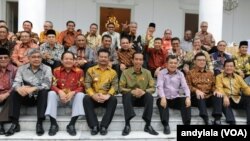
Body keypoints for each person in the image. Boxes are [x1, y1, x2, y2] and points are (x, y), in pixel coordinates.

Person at [5, 49, 52, 136]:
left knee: (44, 91)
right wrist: (19, 89)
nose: (36, 59)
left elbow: (47, 84)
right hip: (25, 96)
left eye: (39, 57)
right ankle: (15, 123)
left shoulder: (47, 68)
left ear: (41, 58)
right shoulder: (21, 69)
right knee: (14, 93)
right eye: (33, 57)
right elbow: (16, 82)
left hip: (39, 97)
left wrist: (34, 88)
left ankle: (39, 122)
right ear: (29, 58)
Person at [45, 51, 85, 136]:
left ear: (74, 61)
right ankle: (53, 123)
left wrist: (73, 92)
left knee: (81, 95)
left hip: (72, 99)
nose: (68, 61)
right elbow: (52, 85)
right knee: (51, 93)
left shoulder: (79, 71)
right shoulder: (56, 71)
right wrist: (59, 91)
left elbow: (82, 87)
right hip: (60, 98)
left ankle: (71, 124)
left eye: (71, 59)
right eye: (66, 59)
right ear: (62, 60)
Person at [119, 52, 158, 136]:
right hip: (130, 100)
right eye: (136, 59)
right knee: (126, 95)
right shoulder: (125, 72)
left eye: (140, 59)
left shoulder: (147, 72)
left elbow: (153, 88)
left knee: (149, 96)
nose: (138, 61)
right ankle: (127, 124)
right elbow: (120, 88)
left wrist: (144, 91)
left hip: (142, 99)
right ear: (132, 60)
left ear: (143, 61)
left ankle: (148, 124)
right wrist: (131, 91)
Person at [83, 49, 118, 136]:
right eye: (101, 57)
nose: (103, 59)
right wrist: (93, 95)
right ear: (97, 58)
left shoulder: (113, 72)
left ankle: (104, 126)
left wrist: (108, 95)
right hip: (94, 97)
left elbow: (115, 86)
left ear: (108, 58)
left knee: (113, 99)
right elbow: (87, 84)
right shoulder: (90, 70)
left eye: (105, 57)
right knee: (86, 98)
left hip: (106, 98)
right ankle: (94, 126)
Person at [157, 55, 191, 134]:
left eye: (175, 63)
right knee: (161, 103)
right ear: (166, 64)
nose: (173, 65)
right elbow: (159, 86)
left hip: (175, 98)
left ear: (177, 64)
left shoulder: (180, 74)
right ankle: (166, 125)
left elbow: (185, 86)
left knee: (185, 101)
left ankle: (187, 124)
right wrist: (162, 97)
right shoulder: (161, 73)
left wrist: (188, 97)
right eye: (171, 63)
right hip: (164, 98)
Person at [186, 52, 222, 125]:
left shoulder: (210, 73)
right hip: (196, 98)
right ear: (195, 61)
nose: (202, 62)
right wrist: (196, 90)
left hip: (208, 97)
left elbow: (213, 85)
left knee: (218, 95)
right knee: (200, 96)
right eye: (199, 60)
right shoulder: (190, 73)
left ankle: (217, 119)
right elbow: (187, 86)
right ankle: (206, 119)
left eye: (203, 60)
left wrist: (215, 90)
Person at [216, 59, 250, 125]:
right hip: (227, 98)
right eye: (227, 66)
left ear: (234, 68)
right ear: (224, 67)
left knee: (249, 99)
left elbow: (246, 88)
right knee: (222, 99)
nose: (229, 68)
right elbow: (219, 88)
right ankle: (232, 122)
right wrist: (225, 96)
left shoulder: (238, 77)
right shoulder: (219, 77)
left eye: (231, 66)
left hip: (237, 98)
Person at [0, 48, 17, 135]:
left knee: (14, 94)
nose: (3, 59)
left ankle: (1, 123)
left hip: (9, 94)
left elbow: (16, 84)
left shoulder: (15, 69)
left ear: (9, 59)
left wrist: (6, 94)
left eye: (5, 57)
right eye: (1, 58)